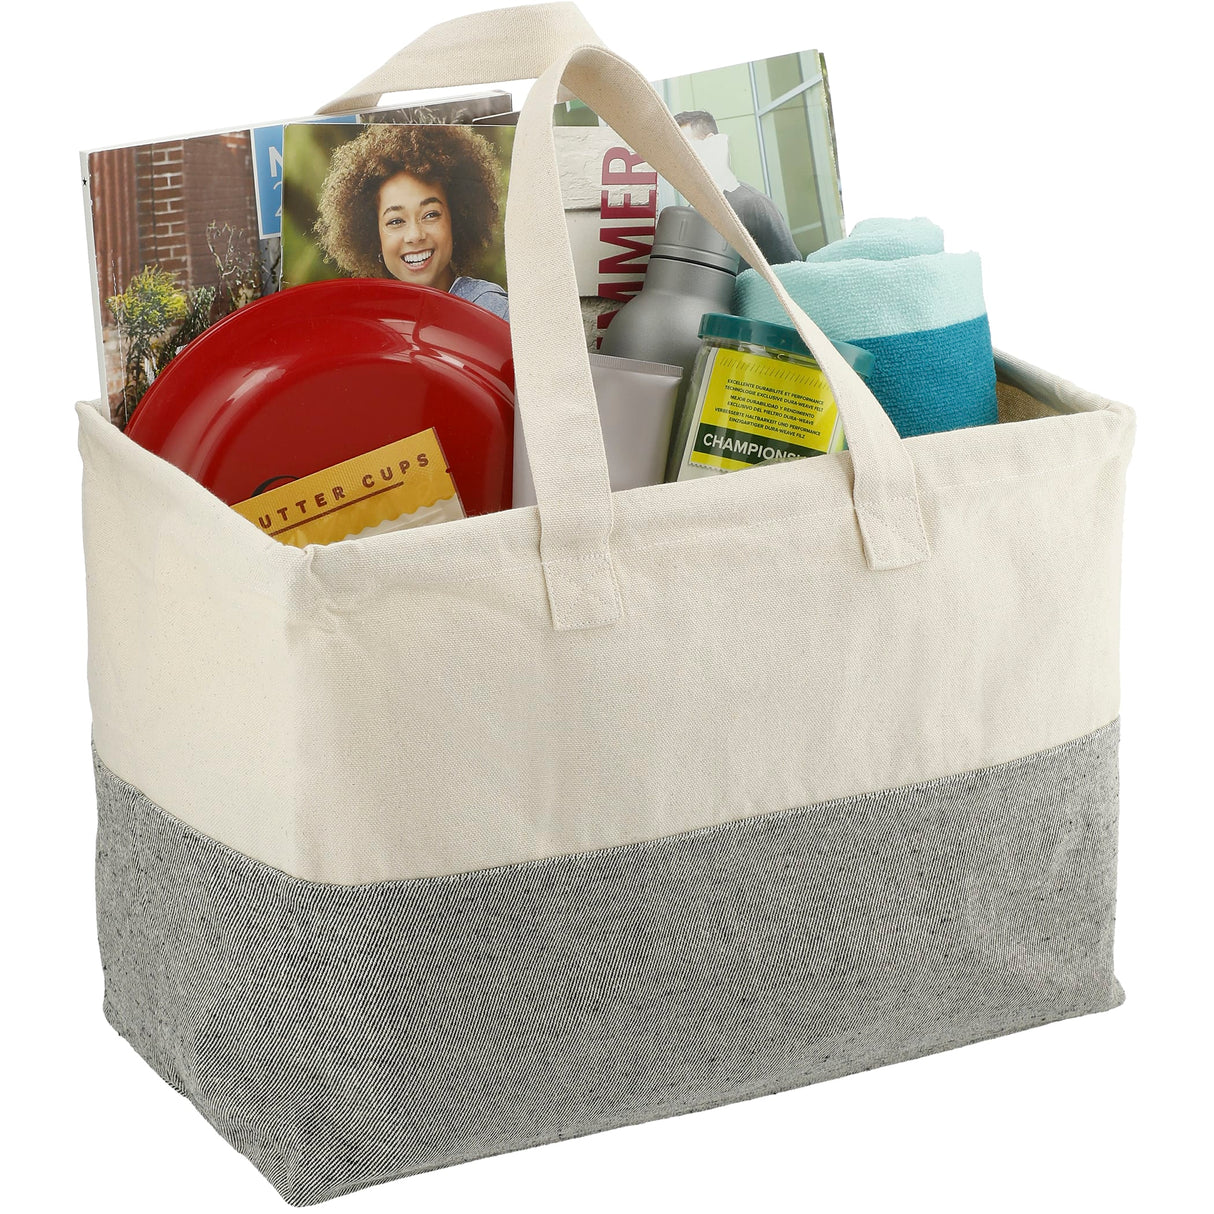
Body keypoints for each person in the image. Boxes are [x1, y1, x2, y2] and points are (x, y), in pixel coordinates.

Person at [315, 125, 509, 321]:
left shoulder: (491, 310)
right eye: (396, 221)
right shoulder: (373, 324)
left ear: (456, 220)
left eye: (430, 215)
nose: (415, 235)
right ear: (375, 236)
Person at [673, 110, 802, 271]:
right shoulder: (689, 213)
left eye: (683, 146)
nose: (677, 157)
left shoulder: (753, 204)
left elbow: (792, 272)